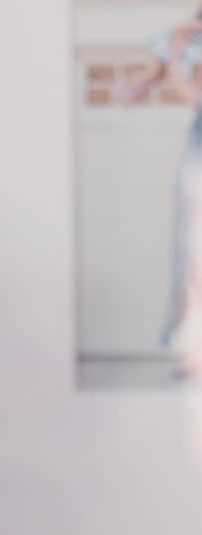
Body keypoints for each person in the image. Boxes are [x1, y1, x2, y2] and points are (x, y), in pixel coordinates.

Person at [121, 13, 202, 375]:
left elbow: (193, 98)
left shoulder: (182, 44)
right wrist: (140, 83)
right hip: (197, 157)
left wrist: (176, 50)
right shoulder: (185, 38)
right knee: (192, 255)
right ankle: (192, 350)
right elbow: (134, 89)